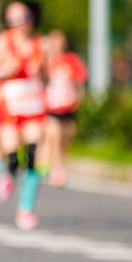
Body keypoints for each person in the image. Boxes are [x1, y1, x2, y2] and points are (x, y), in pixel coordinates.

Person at [0, 0, 49, 230]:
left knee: (33, 156)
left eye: (22, 18)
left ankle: (25, 209)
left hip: (33, 107)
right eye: (12, 20)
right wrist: (7, 70)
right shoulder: (3, 42)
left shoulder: (40, 44)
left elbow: (47, 79)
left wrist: (40, 72)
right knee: (13, 157)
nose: (18, 24)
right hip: (10, 109)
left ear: (31, 19)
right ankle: (9, 174)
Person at [41, 30, 87, 188]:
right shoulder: (46, 62)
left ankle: (55, 163)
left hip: (68, 105)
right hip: (50, 106)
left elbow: (80, 81)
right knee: (54, 135)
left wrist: (79, 96)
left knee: (66, 136)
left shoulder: (72, 60)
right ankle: (55, 168)